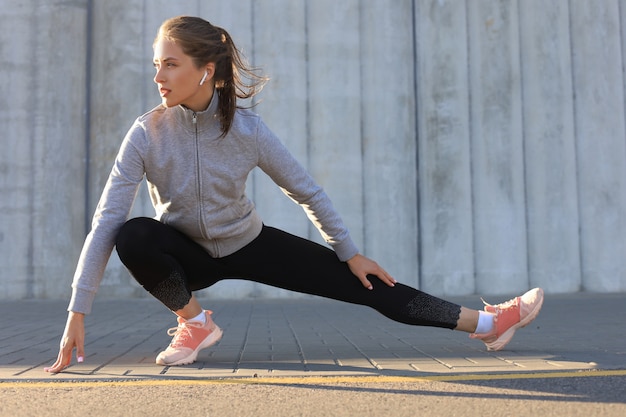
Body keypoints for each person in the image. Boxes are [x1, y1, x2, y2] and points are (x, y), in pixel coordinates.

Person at [45, 16, 543, 373]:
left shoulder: (247, 131)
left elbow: (307, 191)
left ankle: (486, 323)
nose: (158, 77)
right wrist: (77, 313)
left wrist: (349, 253)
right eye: (156, 65)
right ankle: (194, 323)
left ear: (206, 71)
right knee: (133, 234)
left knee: (367, 287)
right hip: (187, 254)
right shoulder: (146, 133)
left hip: (249, 242)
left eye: (169, 65)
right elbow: (105, 222)